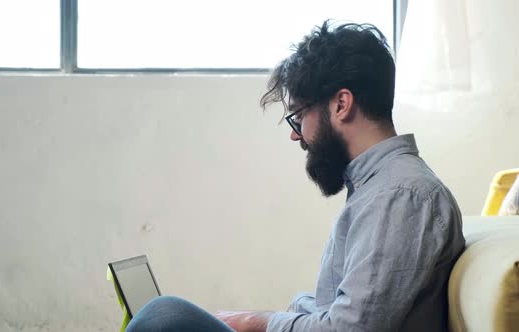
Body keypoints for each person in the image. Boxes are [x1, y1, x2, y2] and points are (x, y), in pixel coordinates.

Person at [126, 20, 466, 332]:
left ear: (341, 105)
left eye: (298, 116)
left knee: (164, 316)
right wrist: (270, 317)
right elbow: (339, 311)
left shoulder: (400, 194)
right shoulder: (380, 189)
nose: (296, 134)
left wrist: (256, 321)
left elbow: (349, 330)